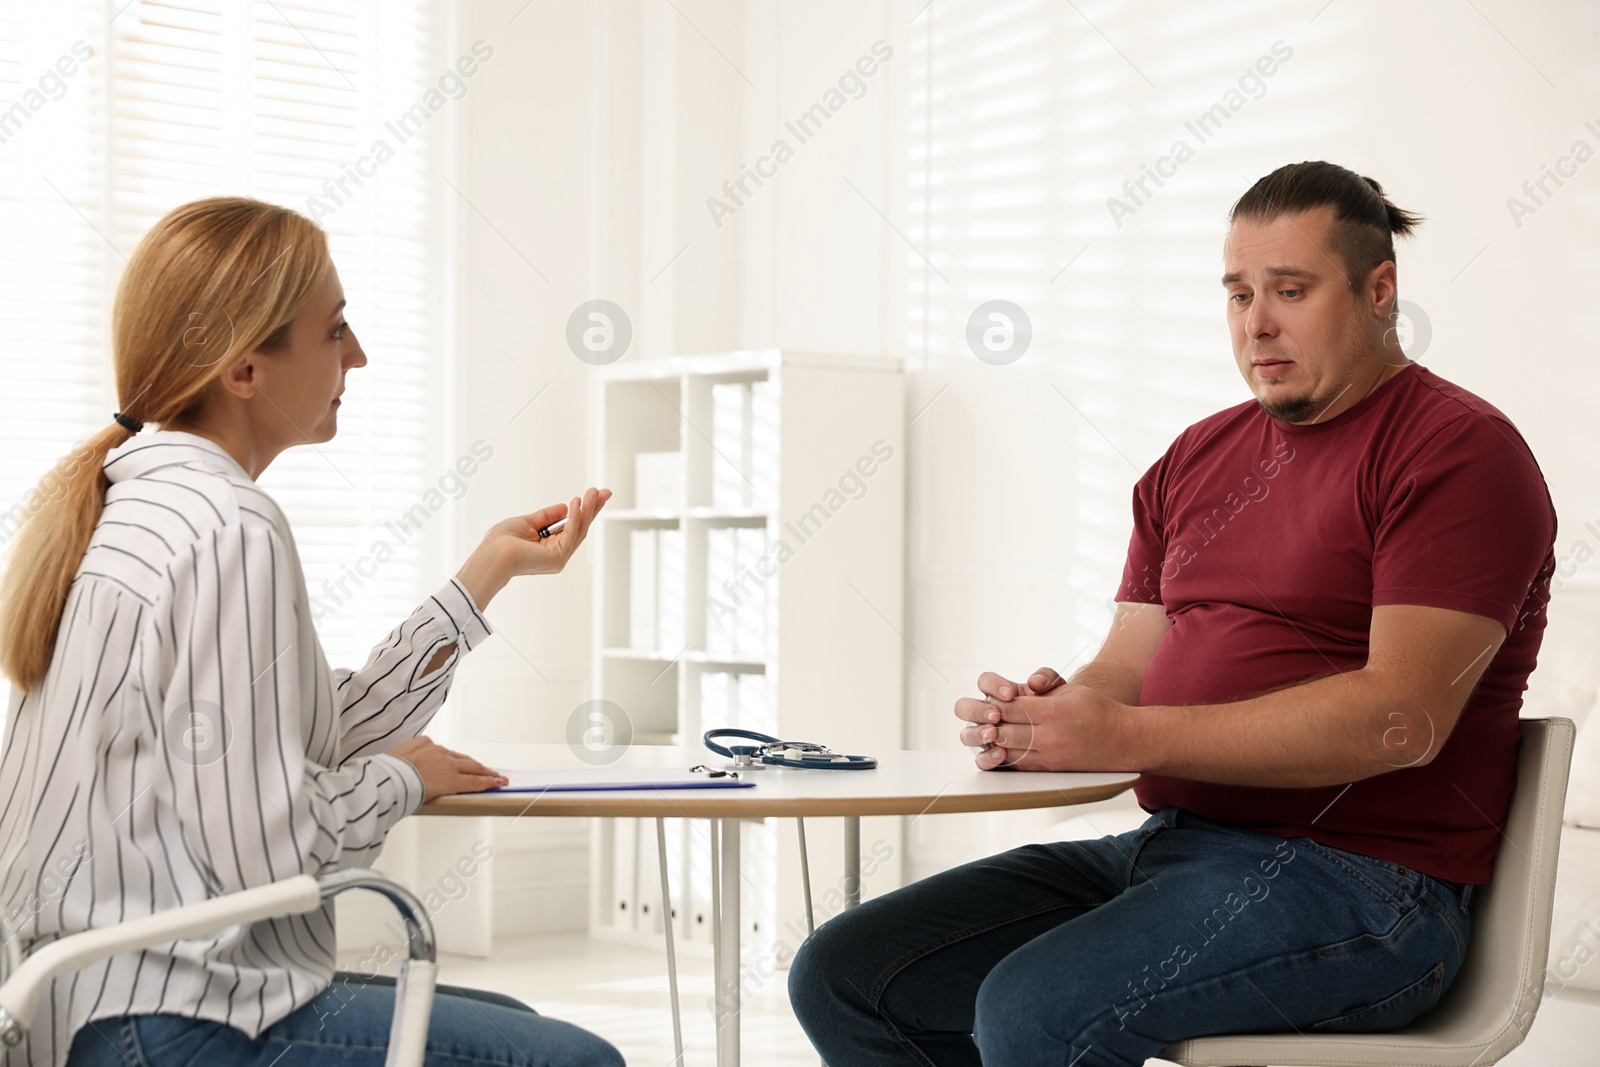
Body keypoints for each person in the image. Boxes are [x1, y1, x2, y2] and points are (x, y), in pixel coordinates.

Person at [788, 161, 1558, 1066]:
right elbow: (1129, 667)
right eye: (1237, 293)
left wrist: (1129, 734)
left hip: (1368, 889)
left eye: (1291, 290)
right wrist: (1058, 713)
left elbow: (1402, 718)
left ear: (1380, 291)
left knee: (1035, 1011)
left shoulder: (1458, 452)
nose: (1255, 323)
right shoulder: (1195, 457)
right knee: (851, 973)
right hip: (1174, 847)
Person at [0, 198, 622, 1067]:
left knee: (511, 1014)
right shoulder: (229, 526)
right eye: (335, 331)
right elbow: (272, 853)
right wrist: (398, 779)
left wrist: (487, 574)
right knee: (574, 1061)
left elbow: (310, 729)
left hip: (83, 1005)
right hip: (171, 1024)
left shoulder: (134, 499)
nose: (357, 355)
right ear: (245, 369)